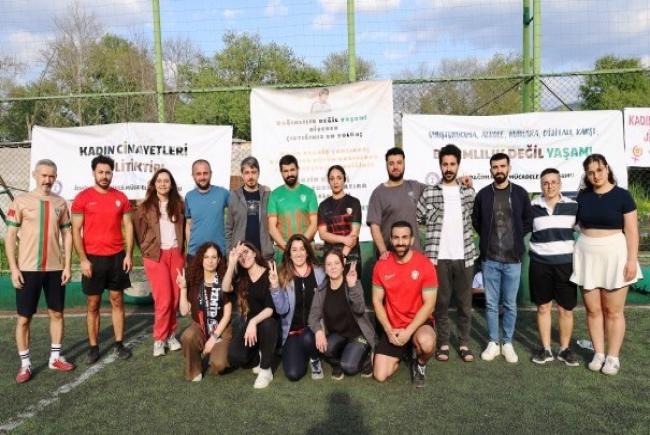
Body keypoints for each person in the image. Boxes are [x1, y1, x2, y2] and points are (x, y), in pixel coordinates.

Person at [571, 154, 641, 375]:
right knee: (593, 310)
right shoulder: (582, 197)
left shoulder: (622, 196)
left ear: (607, 169)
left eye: (599, 170)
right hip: (586, 255)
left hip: (616, 255)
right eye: (591, 172)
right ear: (587, 175)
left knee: (613, 311)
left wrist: (631, 260)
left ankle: (613, 357)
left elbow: (632, 231)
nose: (596, 175)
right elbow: (573, 222)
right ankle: (599, 353)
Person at [5, 159, 75, 383]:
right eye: (44, 175)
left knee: (57, 314)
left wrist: (67, 265)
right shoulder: (21, 201)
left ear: (56, 177)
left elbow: (67, 234)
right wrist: (14, 268)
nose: (48, 180)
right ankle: (25, 364)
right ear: (35, 175)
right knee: (24, 318)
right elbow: (10, 237)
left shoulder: (60, 203)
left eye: (51, 176)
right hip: (28, 269)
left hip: (55, 269)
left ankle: (55, 358)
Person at [416, 144, 477, 363]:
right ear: (440, 165)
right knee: (440, 304)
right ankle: (443, 343)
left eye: (452, 164)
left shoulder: (468, 192)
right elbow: (418, 217)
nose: (448, 168)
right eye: (445, 164)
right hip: (437, 257)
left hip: (465, 256)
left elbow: (474, 215)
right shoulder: (429, 192)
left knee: (464, 304)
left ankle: (463, 343)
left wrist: (471, 184)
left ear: (458, 165)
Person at [71, 155, 134, 364]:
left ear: (112, 173)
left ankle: (119, 343)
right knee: (93, 303)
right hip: (93, 259)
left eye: (108, 172)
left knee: (117, 300)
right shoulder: (82, 198)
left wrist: (128, 254)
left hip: (117, 258)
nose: (104, 176)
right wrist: (83, 259)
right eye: (100, 172)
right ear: (94, 173)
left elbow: (129, 226)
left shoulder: (121, 197)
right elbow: (75, 230)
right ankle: (93, 347)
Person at [472, 153, 532, 363]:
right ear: (491, 170)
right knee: (490, 304)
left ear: (509, 168)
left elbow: (528, 220)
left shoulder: (520, 193)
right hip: (490, 259)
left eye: (502, 166)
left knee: (510, 304)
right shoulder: (483, 195)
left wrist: (515, 239)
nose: (499, 170)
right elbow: (476, 221)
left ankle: (507, 343)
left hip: (513, 259)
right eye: (495, 167)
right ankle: (493, 342)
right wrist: (488, 241)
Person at [372, 221, 438, 387]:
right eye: (396, 238)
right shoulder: (381, 265)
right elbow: (376, 301)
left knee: (426, 343)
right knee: (380, 375)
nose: (400, 242)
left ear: (412, 239)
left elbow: (430, 305)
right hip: (393, 327)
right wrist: (388, 331)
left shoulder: (425, 264)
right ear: (391, 239)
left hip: (418, 324)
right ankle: (406, 351)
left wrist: (408, 332)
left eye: (404, 237)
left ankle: (420, 364)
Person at [529, 168, 580, 366]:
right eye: (545, 183)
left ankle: (564, 349)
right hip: (540, 264)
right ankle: (546, 349)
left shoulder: (573, 206)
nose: (549, 186)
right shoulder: (532, 206)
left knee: (566, 309)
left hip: (565, 265)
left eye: (553, 182)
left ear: (560, 184)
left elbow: (585, 230)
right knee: (543, 307)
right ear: (541, 185)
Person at [133, 169, 185, 357]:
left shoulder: (179, 204)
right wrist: (147, 248)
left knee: (175, 298)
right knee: (163, 299)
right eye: (160, 181)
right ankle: (159, 339)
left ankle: (171, 335)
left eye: (166, 181)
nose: (163, 184)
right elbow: (138, 232)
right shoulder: (145, 207)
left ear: (171, 184)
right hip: (155, 256)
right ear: (154, 184)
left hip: (176, 254)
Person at [309, 249, 376, 380]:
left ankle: (366, 358)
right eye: (329, 264)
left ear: (342, 265)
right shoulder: (321, 290)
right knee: (325, 348)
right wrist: (318, 331)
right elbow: (313, 316)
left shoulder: (353, 282)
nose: (333, 267)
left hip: (357, 334)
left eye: (336, 263)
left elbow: (359, 309)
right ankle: (337, 363)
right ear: (325, 268)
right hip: (338, 334)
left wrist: (352, 286)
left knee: (349, 367)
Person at [269, 234, 326, 381]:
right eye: (294, 250)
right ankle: (303, 352)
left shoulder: (319, 273)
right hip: (293, 332)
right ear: (289, 254)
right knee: (293, 374)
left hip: (314, 330)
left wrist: (321, 329)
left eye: (302, 249)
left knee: (308, 336)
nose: (299, 253)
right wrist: (275, 287)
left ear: (307, 252)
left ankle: (314, 359)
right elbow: (281, 310)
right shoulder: (283, 274)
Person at [223, 241, 279, 388]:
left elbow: (270, 309)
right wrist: (231, 263)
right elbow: (225, 288)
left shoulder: (268, 274)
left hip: (268, 322)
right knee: (235, 356)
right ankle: (259, 354)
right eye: (240, 255)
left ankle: (266, 369)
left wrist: (253, 322)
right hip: (250, 325)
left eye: (246, 252)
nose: (244, 257)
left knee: (268, 324)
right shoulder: (242, 278)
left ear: (254, 253)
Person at [177, 242, 233, 382]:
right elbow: (184, 311)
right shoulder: (194, 280)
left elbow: (227, 315)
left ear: (219, 260)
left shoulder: (224, 280)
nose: (210, 261)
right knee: (188, 336)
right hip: (200, 326)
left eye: (214, 257)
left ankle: (215, 352)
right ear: (201, 259)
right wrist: (183, 289)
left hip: (221, 329)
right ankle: (195, 368)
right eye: (206, 257)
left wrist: (213, 338)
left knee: (218, 365)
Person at [367, 147, 426, 256]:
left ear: (404, 164)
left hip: (414, 255)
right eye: (391, 163)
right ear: (386, 165)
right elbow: (374, 226)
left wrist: (457, 181)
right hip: (390, 256)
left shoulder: (415, 186)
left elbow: (437, 190)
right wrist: (383, 252)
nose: (395, 167)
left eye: (399, 163)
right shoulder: (378, 193)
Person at [226, 156, 274, 260]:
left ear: (258, 173)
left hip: (264, 255)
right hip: (241, 256)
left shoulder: (267, 195)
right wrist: (229, 254)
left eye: (253, 172)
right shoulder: (234, 196)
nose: (250, 176)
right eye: (247, 173)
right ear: (242, 175)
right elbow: (228, 228)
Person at [267, 154, 318, 251]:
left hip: (306, 249)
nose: (289, 174)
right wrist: (287, 248)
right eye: (285, 171)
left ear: (298, 169)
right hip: (283, 251)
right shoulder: (274, 195)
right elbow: (272, 227)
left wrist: (299, 247)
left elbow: (314, 225)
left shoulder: (309, 193)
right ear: (281, 173)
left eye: (292, 170)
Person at [318, 165, 362, 273]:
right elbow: (323, 234)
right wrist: (343, 239)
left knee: (353, 284)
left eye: (339, 178)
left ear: (344, 179)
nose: (335, 182)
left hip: (351, 257)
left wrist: (342, 256)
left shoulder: (354, 202)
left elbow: (354, 234)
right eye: (332, 179)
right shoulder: (323, 206)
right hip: (331, 259)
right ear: (328, 181)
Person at [185, 159, 230, 262]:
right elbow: (189, 223)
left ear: (211, 174)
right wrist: (189, 248)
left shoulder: (222, 193)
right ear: (193, 176)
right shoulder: (189, 196)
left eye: (205, 173)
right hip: (195, 253)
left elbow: (239, 207)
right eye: (198, 174)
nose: (202, 177)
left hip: (218, 253)